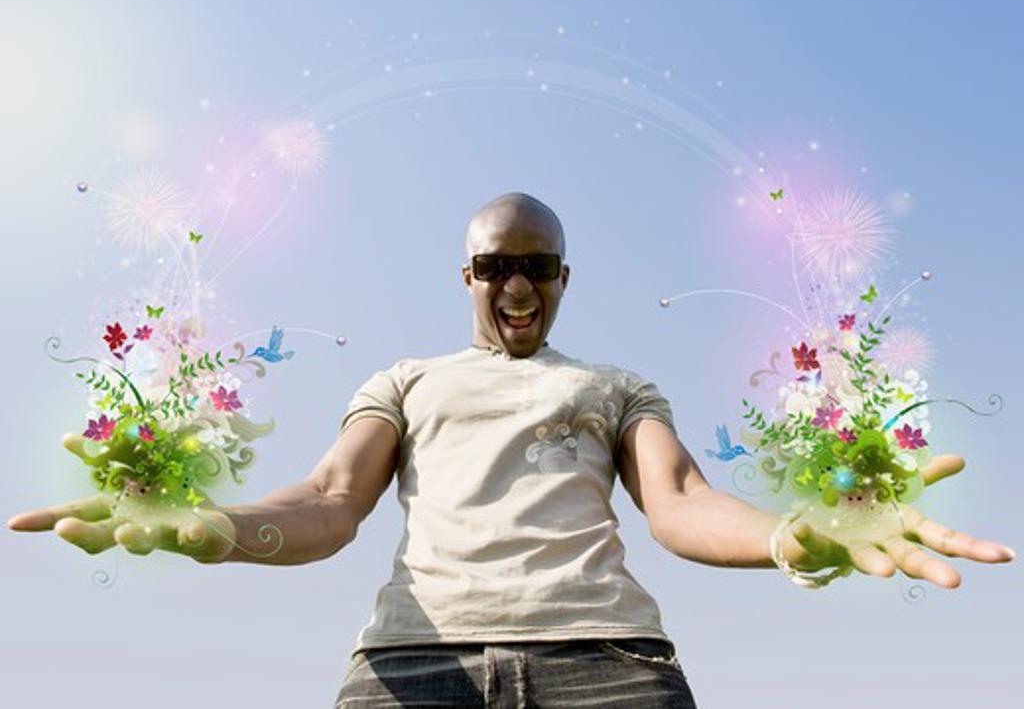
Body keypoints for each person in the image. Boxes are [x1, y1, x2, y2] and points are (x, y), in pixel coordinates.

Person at [8, 192, 1015, 708]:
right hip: (412, 667)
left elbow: (678, 501)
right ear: (467, 274)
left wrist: (793, 534)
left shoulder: (614, 387)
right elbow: (329, 497)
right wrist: (223, 527)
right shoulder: (404, 380)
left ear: (564, 277)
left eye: (536, 268)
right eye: (497, 267)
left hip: (607, 668)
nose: (516, 287)